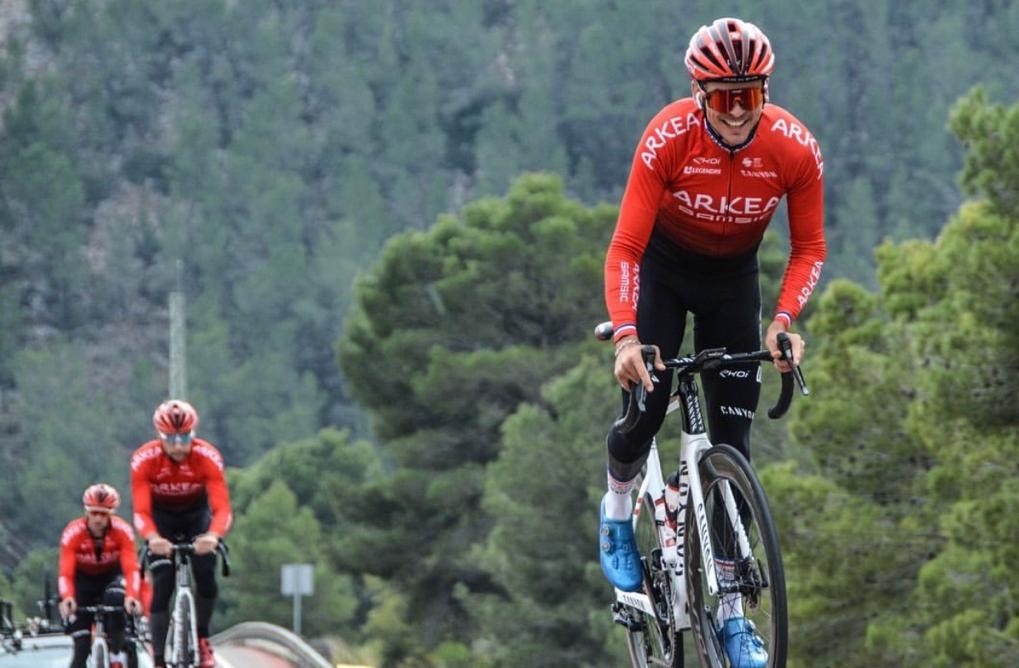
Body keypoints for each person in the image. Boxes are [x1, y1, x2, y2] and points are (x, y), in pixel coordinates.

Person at [598, 17, 826, 668]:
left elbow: (808, 247)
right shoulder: (668, 136)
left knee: (733, 449)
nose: (735, 113)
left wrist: (781, 323)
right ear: (698, 95)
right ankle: (616, 511)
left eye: (749, 97)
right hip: (663, 276)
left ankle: (730, 617)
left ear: (765, 94)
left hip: (732, 284)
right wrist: (625, 336)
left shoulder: (792, 148)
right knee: (645, 405)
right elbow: (625, 248)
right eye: (723, 98)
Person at [130, 399, 232, 668]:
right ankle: (160, 659)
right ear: (159, 436)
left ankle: (201, 638)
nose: (178, 445)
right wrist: (152, 538)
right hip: (160, 519)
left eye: (185, 437)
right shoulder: (144, 459)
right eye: (171, 438)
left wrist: (214, 536)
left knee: (207, 576)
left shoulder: (207, 457)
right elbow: (140, 511)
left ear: (193, 434)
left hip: (196, 517)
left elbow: (222, 508)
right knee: (162, 584)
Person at [58, 483, 142, 668]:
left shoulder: (123, 531)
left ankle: (116, 652)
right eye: (94, 513)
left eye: (103, 514)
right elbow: (65, 571)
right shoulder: (73, 532)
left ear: (111, 514)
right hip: (82, 582)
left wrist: (132, 596)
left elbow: (131, 568)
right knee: (81, 648)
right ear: (86, 512)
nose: (98, 519)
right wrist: (67, 597)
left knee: (118, 604)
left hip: (111, 577)